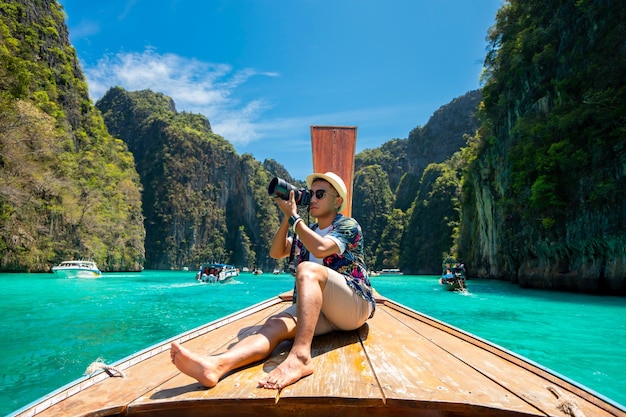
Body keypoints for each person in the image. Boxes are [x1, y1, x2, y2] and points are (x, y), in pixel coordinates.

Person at [170, 171, 375, 390]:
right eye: (311, 194)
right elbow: (277, 251)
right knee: (274, 325)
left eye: (320, 194)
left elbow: (321, 248)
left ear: (338, 201)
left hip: (353, 306)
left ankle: (300, 358)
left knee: (307, 269)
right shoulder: (309, 230)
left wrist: (295, 219)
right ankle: (216, 366)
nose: (313, 199)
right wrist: (288, 219)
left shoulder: (348, 226)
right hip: (321, 313)